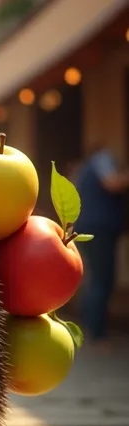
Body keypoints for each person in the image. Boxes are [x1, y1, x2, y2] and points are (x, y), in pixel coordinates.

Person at [73, 145, 129, 349]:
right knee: (102, 280)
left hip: (93, 227)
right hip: (100, 229)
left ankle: (91, 329)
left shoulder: (87, 167)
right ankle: (96, 334)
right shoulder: (103, 159)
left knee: (96, 279)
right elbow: (112, 183)